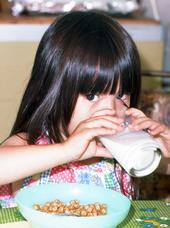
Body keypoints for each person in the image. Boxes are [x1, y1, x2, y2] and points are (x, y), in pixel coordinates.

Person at [0, 11, 170, 208]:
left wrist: (163, 149)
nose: (111, 110)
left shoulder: (121, 152)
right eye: (91, 96)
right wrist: (67, 150)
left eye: (121, 95)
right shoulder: (31, 143)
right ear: (52, 91)